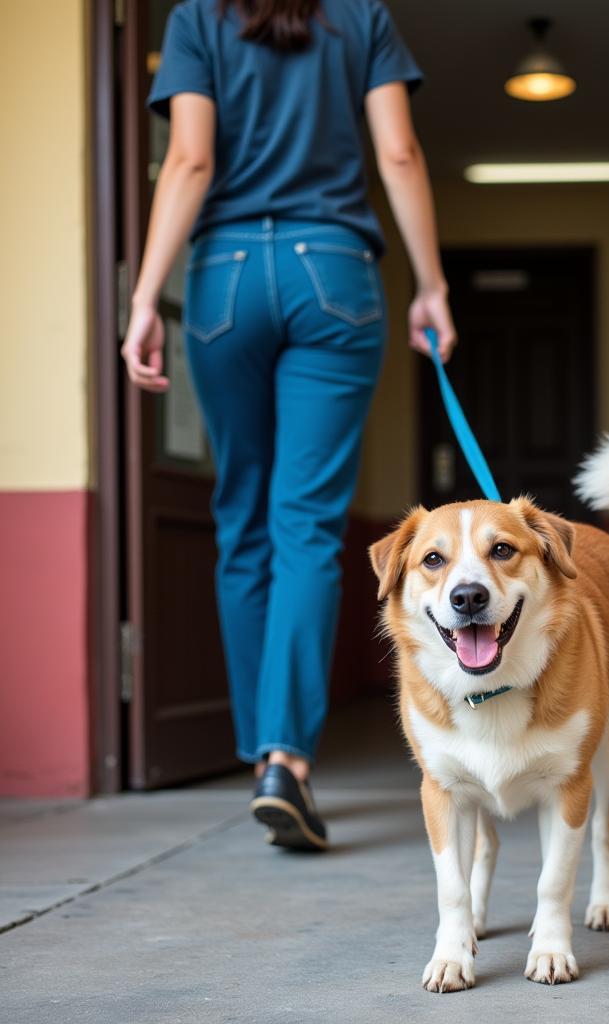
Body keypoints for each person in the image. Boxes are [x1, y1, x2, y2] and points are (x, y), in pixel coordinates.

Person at [121, 0, 455, 851]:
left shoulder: (198, 18)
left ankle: (263, 755)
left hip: (225, 274)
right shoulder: (359, 16)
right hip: (333, 271)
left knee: (242, 519)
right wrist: (431, 283)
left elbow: (190, 160)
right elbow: (399, 151)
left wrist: (144, 296)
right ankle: (287, 760)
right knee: (304, 523)